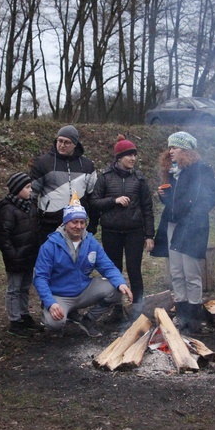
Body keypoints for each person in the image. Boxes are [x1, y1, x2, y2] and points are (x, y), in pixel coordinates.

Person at [152, 132, 215, 334]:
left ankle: (194, 317)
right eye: (170, 147)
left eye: (175, 147)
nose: (170, 151)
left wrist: (191, 214)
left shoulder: (201, 171)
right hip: (173, 226)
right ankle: (182, 314)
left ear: (186, 150)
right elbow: (174, 203)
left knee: (191, 272)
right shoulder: (175, 172)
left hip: (192, 227)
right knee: (176, 271)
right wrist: (164, 196)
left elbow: (208, 200)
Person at [33, 201, 133, 337]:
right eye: (74, 222)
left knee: (116, 289)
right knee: (55, 323)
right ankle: (50, 312)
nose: (78, 226)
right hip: (60, 295)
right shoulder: (50, 245)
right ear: (65, 223)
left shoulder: (91, 242)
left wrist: (121, 282)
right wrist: (50, 303)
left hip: (84, 290)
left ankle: (87, 320)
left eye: (82, 222)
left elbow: (107, 266)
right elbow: (40, 278)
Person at [90, 135, 154, 320]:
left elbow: (147, 208)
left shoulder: (139, 179)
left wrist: (149, 235)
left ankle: (138, 308)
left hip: (135, 231)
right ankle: (116, 309)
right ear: (119, 158)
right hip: (111, 232)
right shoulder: (105, 177)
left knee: (135, 270)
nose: (133, 159)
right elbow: (94, 203)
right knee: (114, 270)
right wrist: (114, 201)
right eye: (129, 155)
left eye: (134, 155)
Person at [30, 125, 98, 242]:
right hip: (49, 223)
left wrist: (94, 221)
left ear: (75, 145)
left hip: (77, 224)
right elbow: (31, 194)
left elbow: (94, 196)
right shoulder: (42, 163)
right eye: (59, 141)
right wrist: (33, 221)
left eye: (67, 142)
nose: (62, 145)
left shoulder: (87, 165)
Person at [0, 172, 41, 338]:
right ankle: (14, 320)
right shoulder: (8, 209)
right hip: (15, 257)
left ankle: (24, 314)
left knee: (25, 287)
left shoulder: (31, 206)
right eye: (27, 187)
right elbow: (4, 236)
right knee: (14, 289)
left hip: (30, 255)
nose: (31, 190)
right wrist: (12, 254)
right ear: (17, 189)